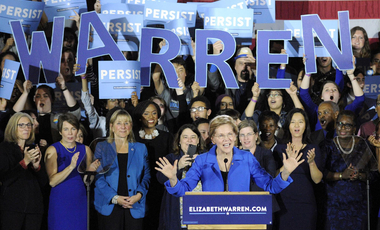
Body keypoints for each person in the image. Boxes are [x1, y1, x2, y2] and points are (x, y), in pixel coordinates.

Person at [155, 115, 304, 197]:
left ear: (235, 137)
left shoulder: (246, 158)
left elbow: (270, 186)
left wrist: (285, 172)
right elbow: (183, 190)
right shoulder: (202, 160)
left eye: (229, 134)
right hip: (211, 220)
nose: (226, 139)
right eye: (220, 135)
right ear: (212, 139)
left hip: (240, 219)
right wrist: (173, 179)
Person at [94, 109, 150, 230]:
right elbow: (98, 178)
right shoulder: (102, 147)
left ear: (131, 126)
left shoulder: (141, 148)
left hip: (134, 205)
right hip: (109, 205)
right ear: (111, 126)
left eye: (126, 123)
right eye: (119, 123)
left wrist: (139, 195)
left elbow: (147, 176)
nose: (123, 127)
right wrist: (115, 198)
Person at [321, 110, 377, 229]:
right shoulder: (327, 146)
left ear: (354, 128)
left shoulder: (363, 145)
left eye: (348, 125)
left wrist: (360, 175)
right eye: (340, 123)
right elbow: (320, 174)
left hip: (358, 207)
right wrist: (341, 175)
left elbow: (374, 175)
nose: (343, 127)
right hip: (333, 206)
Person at [45, 113, 98, 230]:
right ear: (60, 131)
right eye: (66, 129)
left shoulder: (85, 149)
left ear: (77, 130)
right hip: (60, 201)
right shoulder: (53, 150)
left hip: (79, 200)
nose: (70, 133)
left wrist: (91, 170)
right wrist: (71, 166)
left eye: (73, 129)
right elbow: (52, 182)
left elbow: (87, 181)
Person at [273, 108, 323, 230]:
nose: (296, 125)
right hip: (283, 203)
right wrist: (287, 165)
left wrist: (311, 163)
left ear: (305, 125)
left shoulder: (313, 149)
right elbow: (273, 177)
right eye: (293, 122)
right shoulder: (279, 149)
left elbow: (317, 180)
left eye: (300, 122)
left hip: (306, 204)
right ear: (288, 125)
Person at [0, 112, 47, 230]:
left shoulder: (33, 148)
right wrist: (25, 162)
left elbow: (44, 183)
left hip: (34, 209)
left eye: (28, 125)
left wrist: (37, 167)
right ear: (13, 127)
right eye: (21, 125)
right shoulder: (4, 149)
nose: (26, 128)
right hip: (12, 208)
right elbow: (5, 180)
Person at [132, 100, 173, 230]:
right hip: (136, 188)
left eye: (154, 113)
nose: (151, 117)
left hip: (160, 189)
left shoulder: (167, 137)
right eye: (146, 113)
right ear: (139, 116)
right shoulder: (132, 138)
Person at [157, 124, 206, 230]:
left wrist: (203, 165)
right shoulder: (171, 158)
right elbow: (161, 179)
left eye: (193, 137)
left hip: (202, 213)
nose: (189, 140)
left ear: (198, 141)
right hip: (178, 214)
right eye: (185, 137)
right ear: (179, 141)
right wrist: (178, 166)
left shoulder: (206, 158)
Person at [238, 119, 279, 229]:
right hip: (240, 207)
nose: (246, 138)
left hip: (262, 205)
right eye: (242, 135)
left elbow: (269, 178)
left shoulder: (266, 154)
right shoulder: (233, 156)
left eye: (249, 134)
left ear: (256, 136)